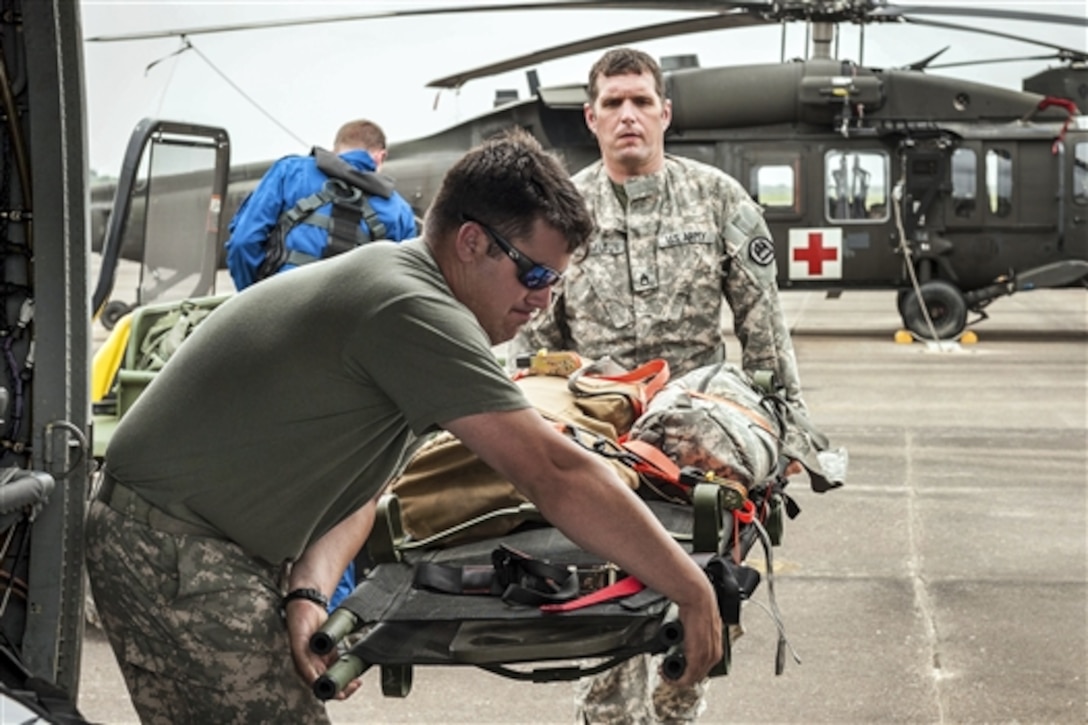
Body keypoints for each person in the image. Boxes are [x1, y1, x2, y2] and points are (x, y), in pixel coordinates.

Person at [84, 127, 724, 724]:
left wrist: (308, 591)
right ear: (471, 242)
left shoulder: (412, 290)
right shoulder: (409, 306)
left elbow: (363, 487)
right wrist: (691, 589)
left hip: (205, 543)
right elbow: (553, 473)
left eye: (554, 283)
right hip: (172, 546)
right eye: (533, 274)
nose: (541, 299)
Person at [512, 47, 806, 723]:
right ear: (590, 117)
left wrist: (784, 431)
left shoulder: (718, 199)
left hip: (699, 449)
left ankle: (677, 712)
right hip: (598, 448)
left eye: (641, 100)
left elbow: (764, 328)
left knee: (696, 616)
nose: (628, 115)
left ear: (665, 112)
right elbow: (530, 342)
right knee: (602, 620)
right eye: (612, 103)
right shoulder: (559, 212)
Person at [225, 118, 417, 291]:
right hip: (349, 323)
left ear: (336, 149)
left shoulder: (290, 171)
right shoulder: (399, 211)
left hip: (281, 307)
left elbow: (243, 242)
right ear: (380, 156)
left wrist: (255, 299)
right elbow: (404, 286)